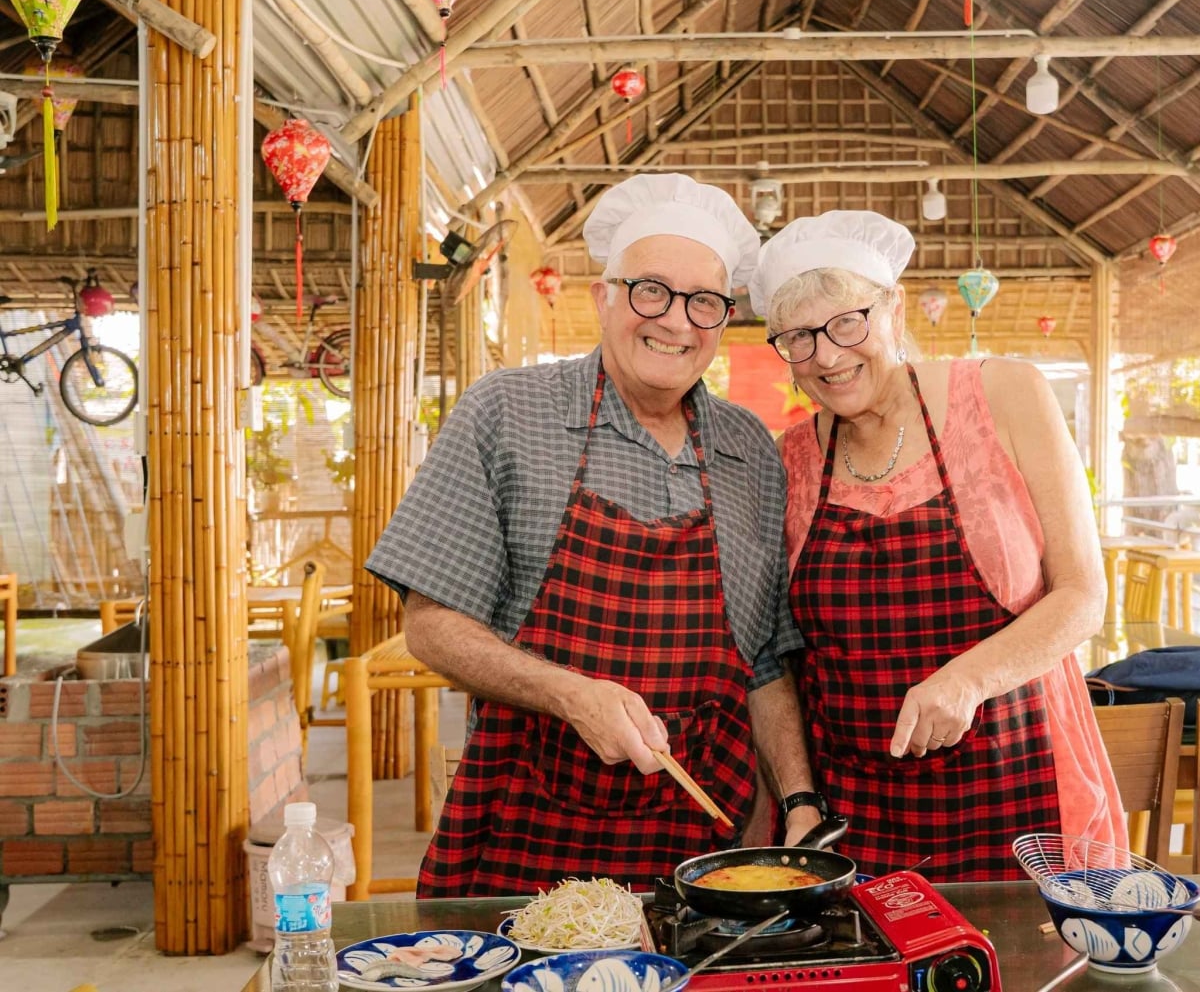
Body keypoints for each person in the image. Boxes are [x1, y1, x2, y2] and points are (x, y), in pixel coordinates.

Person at [366, 173, 823, 897]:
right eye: (651, 290)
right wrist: (570, 693)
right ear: (603, 297)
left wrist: (797, 799)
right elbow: (431, 625)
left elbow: (762, 662)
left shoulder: (750, 450)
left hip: (704, 854)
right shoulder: (507, 413)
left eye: (704, 301)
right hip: (529, 841)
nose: (676, 321)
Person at [750, 211, 1126, 881]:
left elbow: (1083, 596)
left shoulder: (1006, 395)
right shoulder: (792, 460)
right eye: (800, 338)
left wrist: (968, 678)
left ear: (893, 310)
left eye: (847, 322)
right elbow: (779, 656)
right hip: (854, 816)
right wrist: (800, 801)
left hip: (1018, 790)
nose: (828, 356)